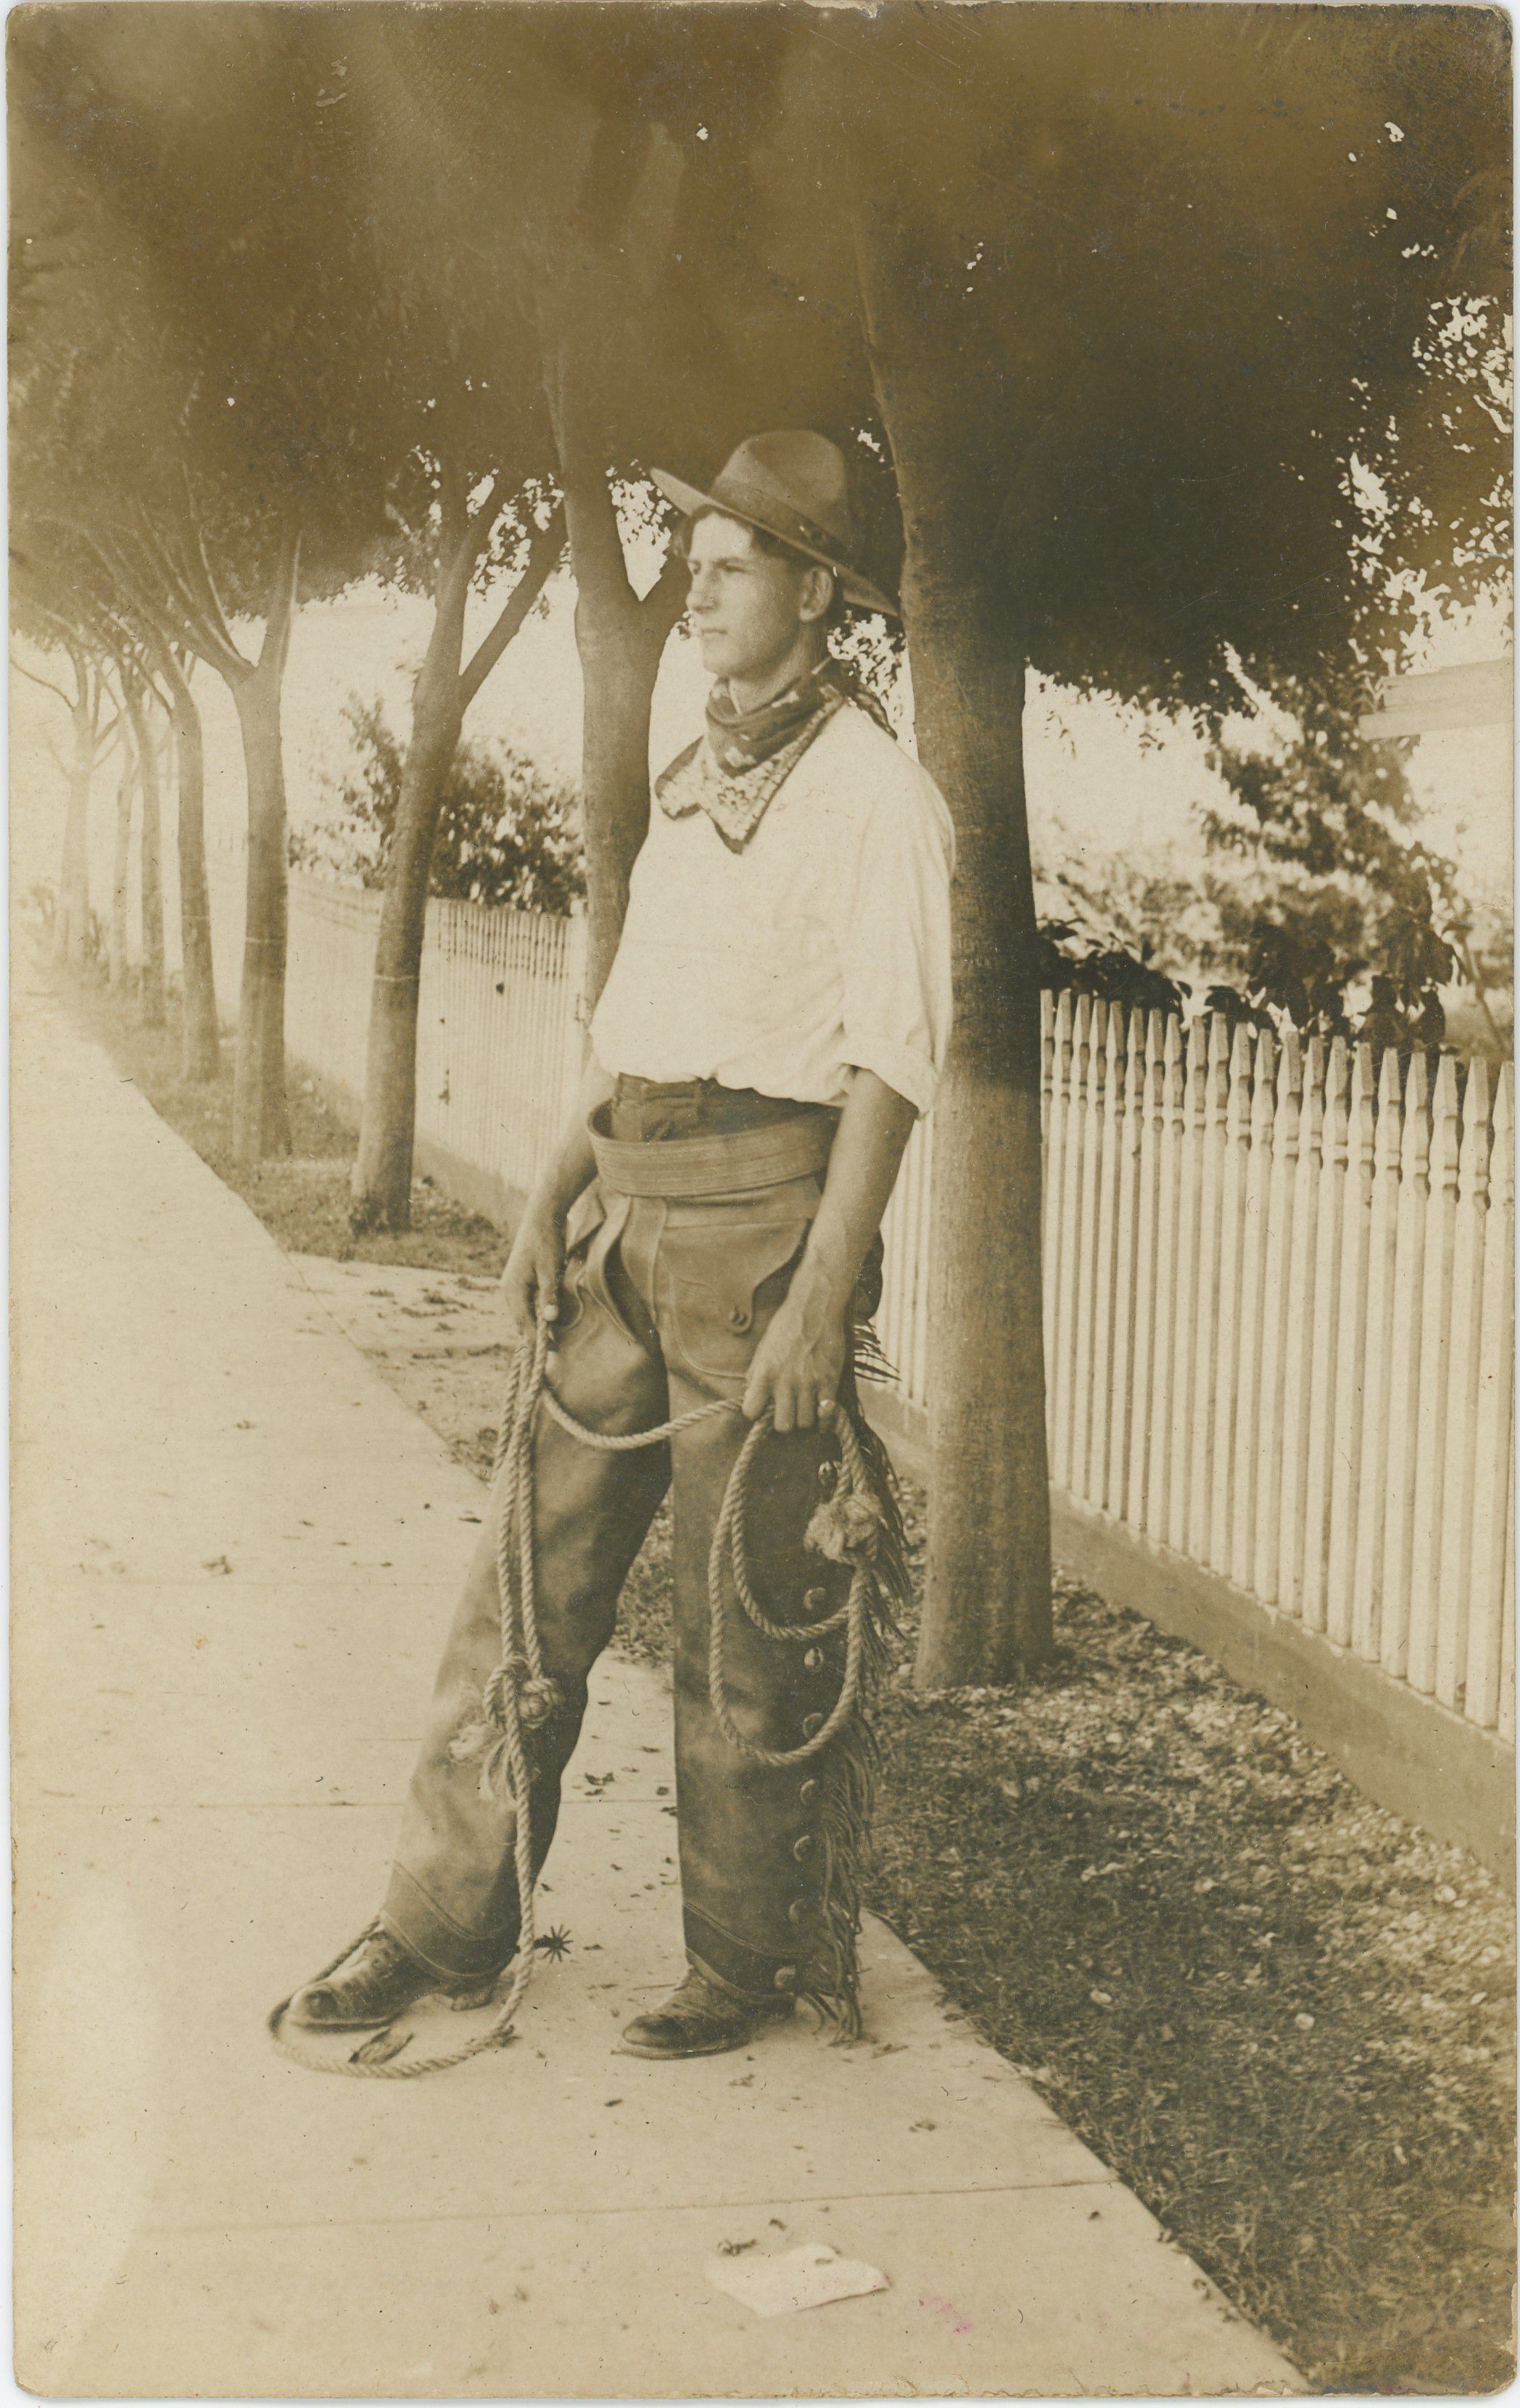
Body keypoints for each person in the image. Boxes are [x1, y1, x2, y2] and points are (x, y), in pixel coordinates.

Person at [286, 430, 954, 2059]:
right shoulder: (690, 780)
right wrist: (546, 1198)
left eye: (729, 569)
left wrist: (817, 1299)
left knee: (746, 1613)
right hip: (626, 1218)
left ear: (815, 594)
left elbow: (891, 1065)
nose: (698, 593)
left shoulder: (878, 796)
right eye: (694, 566)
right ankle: (441, 1922)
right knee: (522, 1577)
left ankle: (746, 1956)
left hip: (764, 1233)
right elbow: (630, 1021)